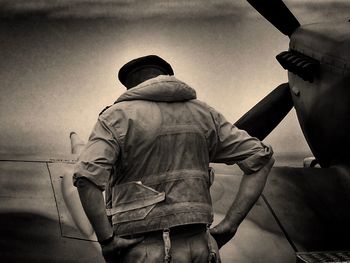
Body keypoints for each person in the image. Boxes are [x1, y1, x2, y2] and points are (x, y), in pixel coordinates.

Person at [73, 55, 274, 263]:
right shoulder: (205, 114)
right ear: (168, 78)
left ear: (130, 87)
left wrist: (107, 241)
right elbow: (262, 159)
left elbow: (85, 179)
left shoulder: (116, 117)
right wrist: (229, 225)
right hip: (202, 248)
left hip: (142, 251)